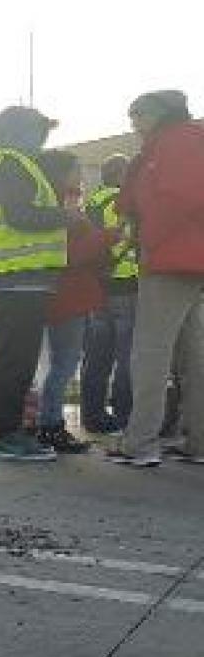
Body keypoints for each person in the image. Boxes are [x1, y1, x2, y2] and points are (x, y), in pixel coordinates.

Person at [0, 106, 76, 461]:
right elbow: (20, 216)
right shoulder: (10, 164)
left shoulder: (12, 164)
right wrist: (66, 217)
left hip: (21, 279)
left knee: (17, 358)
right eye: (40, 131)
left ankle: (12, 430)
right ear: (20, 133)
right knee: (15, 360)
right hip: (17, 278)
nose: (45, 139)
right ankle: (8, 435)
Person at [107, 90, 204, 466]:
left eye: (138, 115)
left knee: (150, 351)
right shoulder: (177, 141)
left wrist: (149, 241)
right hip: (189, 261)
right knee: (192, 353)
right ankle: (197, 442)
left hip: (171, 259)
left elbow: (178, 196)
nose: (132, 123)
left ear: (160, 113)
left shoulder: (178, 141)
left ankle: (141, 443)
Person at [34, 150, 115, 453]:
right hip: (68, 297)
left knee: (62, 365)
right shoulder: (62, 209)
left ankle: (48, 424)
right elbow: (68, 255)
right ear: (61, 174)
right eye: (75, 168)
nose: (80, 173)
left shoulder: (60, 205)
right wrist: (106, 238)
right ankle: (51, 425)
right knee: (64, 365)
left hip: (68, 295)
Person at [80, 155, 137, 434]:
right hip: (125, 284)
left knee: (97, 356)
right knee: (128, 356)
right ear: (121, 175)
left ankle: (92, 415)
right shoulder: (121, 201)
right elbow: (124, 238)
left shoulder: (90, 203)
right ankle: (125, 416)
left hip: (97, 288)